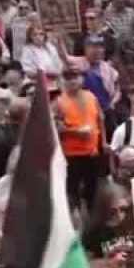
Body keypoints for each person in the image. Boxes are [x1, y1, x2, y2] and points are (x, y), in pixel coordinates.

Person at [57, 66, 106, 214]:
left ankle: (94, 217)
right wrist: (75, 131)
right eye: (68, 78)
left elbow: (100, 119)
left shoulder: (91, 96)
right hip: (72, 154)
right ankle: (75, 217)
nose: (72, 81)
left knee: (93, 188)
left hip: (92, 151)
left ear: (81, 79)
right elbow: (56, 127)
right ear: (63, 81)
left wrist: (104, 142)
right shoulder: (59, 102)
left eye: (75, 77)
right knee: (73, 190)